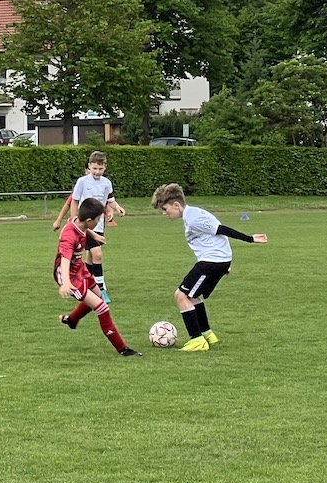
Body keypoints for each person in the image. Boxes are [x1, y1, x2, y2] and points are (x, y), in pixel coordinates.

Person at [151, 183, 269, 352]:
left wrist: (250, 239)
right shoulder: (192, 215)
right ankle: (207, 335)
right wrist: (225, 264)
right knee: (192, 297)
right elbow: (214, 237)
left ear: (176, 205)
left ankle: (197, 340)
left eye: (165, 209)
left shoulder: (193, 217)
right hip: (216, 261)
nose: (164, 213)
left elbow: (221, 229)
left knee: (181, 295)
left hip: (212, 262)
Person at [55, 197, 140, 357]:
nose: (100, 221)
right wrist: (66, 283)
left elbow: (78, 225)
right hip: (69, 276)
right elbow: (65, 260)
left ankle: (72, 320)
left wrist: (94, 235)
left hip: (79, 268)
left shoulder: (77, 221)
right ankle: (123, 349)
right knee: (102, 307)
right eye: (98, 219)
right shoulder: (69, 236)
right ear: (89, 220)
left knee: (98, 297)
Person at [69, 151, 126, 302]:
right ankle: (101, 289)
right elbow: (74, 201)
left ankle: (84, 282)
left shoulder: (106, 183)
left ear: (105, 167)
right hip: (84, 224)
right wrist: (74, 220)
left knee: (91, 256)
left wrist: (117, 207)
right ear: (89, 166)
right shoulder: (82, 181)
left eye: (100, 169)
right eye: (94, 168)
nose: (97, 172)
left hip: (99, 224)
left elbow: (110, 200)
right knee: (98, 254)